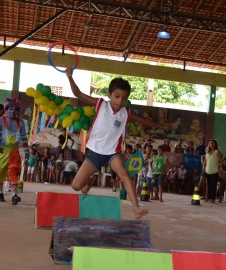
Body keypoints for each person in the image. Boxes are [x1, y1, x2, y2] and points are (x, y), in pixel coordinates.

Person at [65, 68, 167, 219]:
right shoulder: (100, 104)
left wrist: (161, 126)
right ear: (109, 95)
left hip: (113, 152)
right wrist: (70, 77)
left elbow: (144, 120)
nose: (120, 101)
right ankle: (90, 180)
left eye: (124, 98)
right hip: (95, 152)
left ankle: (136, 208)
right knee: (76, 186)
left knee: (124, 174)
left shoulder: (126, 112)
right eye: (117, 96)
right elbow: (78, 94)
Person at [0, 97, 29, 204]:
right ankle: (0, 192)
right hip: (1, 151)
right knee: (0, 173)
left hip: (14, 152)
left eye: (15, 109)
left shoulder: (20, 123)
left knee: (14, 173)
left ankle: (14, 195)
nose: (13, 111)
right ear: (6, 109)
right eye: (10, 108)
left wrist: (26, 152)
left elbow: (24, 138)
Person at [203, 139, 222, 203]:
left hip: (214, 171)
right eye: (211, 143)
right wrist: (204, 168)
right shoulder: (207, 152)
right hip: (207, 170)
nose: (212, 145)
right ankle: (207, 197)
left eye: (213, 143)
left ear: (215, 144)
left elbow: (221, 161)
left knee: (213, 185)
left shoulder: (217, 151)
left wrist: (221, 169)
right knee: (208, 184)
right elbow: (205, 161)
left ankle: (212, 198)